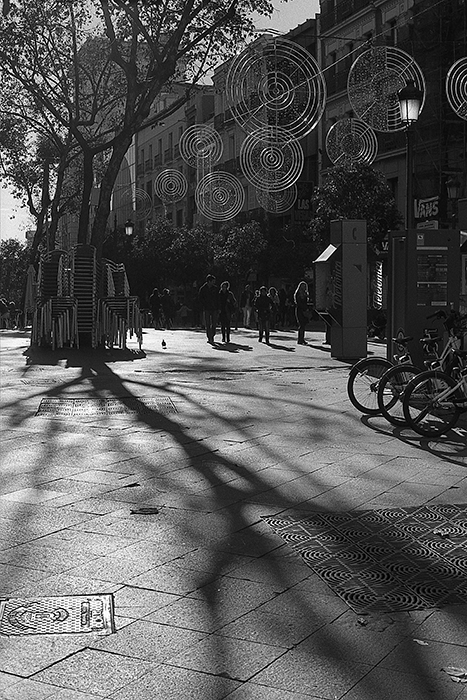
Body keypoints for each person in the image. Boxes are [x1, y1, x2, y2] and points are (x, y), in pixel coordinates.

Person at [198, 274, 219, 343]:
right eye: (213, 281)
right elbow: (200, 299)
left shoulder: (215, 289)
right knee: (207, 323)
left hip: (214, 308)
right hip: (206, 308)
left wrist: (218, 307)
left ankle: (212, 334)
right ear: (209, 281)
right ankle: (209, 337)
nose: (214, 282)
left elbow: (218, 298)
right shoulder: (203, 289)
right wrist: (203, 305)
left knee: (214, 322)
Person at [294, 280, 310, 345]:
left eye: (305, 286)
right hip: (300, 310)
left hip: (304, 309)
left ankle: (302, 339)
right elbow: (299, 303)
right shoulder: (298, 293)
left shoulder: (305, 293)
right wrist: (304, 308)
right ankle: (300, 339)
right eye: (302, 286)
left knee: (303, 324)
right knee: (301, 324)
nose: (304, 287)